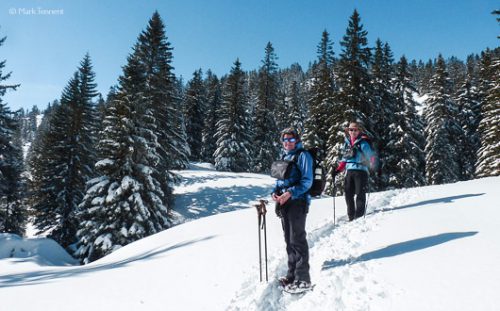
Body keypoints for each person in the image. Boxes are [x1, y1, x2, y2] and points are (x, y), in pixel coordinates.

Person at [271, 127, 313, 293]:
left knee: (297, 239)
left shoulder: (303, 155)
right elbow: (279, 181)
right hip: (284, 202)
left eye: (291, 139)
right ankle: (291, 275)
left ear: (297, 140)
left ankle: (303, 279)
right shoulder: (284, 157)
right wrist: (275, 193)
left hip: (298, 201)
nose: (287, 143)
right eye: (285, 140)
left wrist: (290, 192)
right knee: (289, 240)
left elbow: (307, 181)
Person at [335, 121, 376, 221]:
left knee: (360, 194)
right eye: (351, 129)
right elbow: (345, 159)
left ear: (359, 131)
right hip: (349, 172)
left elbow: (371, 156)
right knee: (348, 194)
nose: (353, 131)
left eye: (355, 129)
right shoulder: (347, 143)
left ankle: (359, 216)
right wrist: (338, 170)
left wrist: (372, 166)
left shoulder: (363, 143)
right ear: (348, 131)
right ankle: (351, 216)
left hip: (361, 171)